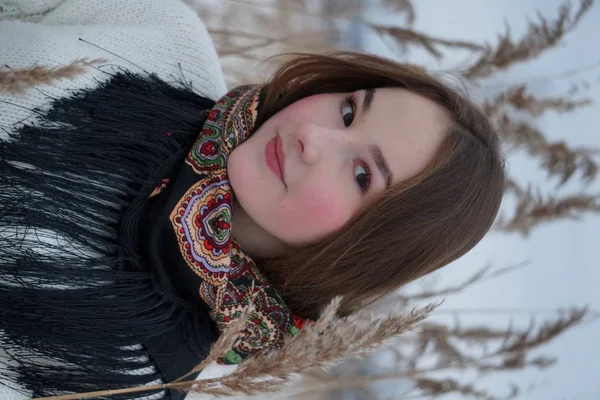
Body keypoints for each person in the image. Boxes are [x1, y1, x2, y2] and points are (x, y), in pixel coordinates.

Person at [0, 0, 505, 399]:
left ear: (367, 249)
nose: (313, 137)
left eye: (360, 173)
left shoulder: (131, 371)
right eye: (349, 111)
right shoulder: (165, 39)